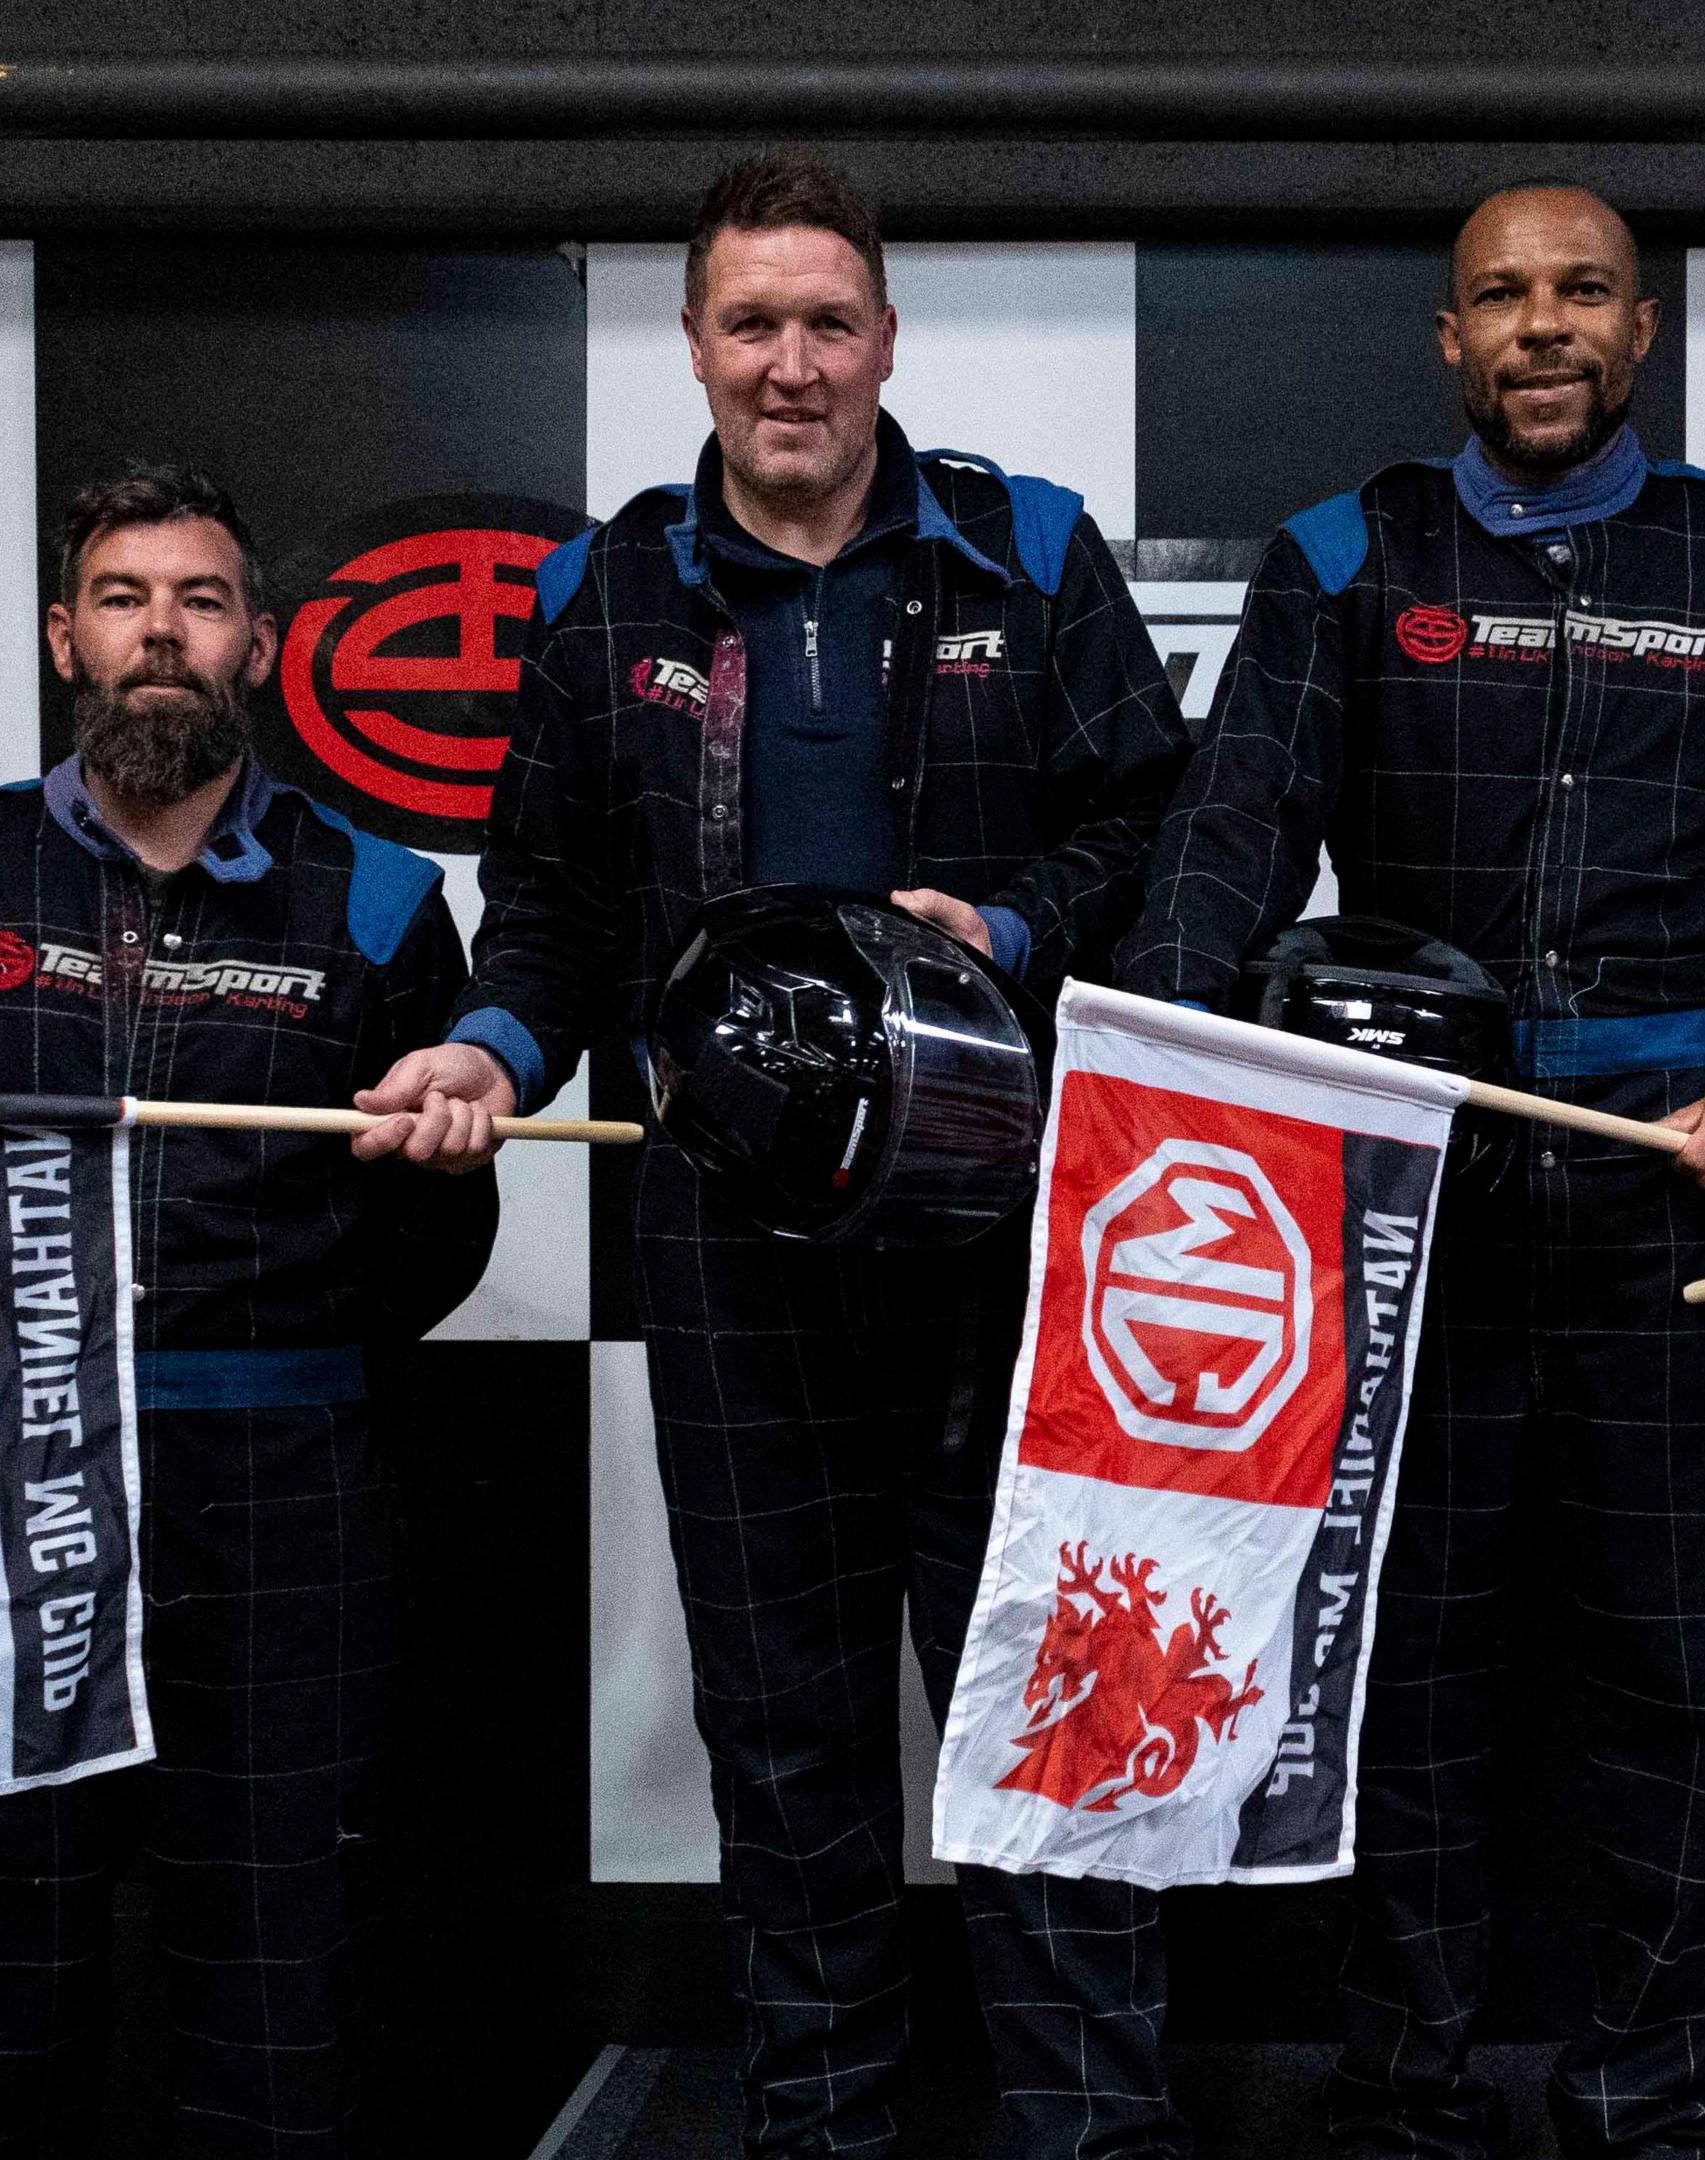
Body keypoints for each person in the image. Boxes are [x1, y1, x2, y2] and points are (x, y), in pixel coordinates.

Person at [354, 153, 1194, 2158]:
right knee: (786, 1723)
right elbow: (549, 896)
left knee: (1046, 1709)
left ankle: (1094, 2129)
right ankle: (824, 2123)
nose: (794, 364)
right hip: (730, 1245)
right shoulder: (612, 588)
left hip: (997, 1232)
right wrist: (481, 1044)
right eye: (755, 324)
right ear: (697, 346)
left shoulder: (1029, 550)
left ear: (887, 338)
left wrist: (1010, 930)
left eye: (830, 322)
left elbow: (1154, 836)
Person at [1113, 183, 1705, 2159]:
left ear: (1644, 332)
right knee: (1415, 1687)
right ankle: (1411, 2103)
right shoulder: (1347, 558)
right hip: (1407, 1221)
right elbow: (1224, 849)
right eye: (1503, 298)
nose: (1544, 327)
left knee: (1683, 1709)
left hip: (1676, 1228)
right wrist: (1154, 1061)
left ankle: (1656, 2104)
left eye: (1584, 292)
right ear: (1450, 343)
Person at [0, 465, 500, 2153]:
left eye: (201, 603)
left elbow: (437, 1242)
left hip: (278, 1501)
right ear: (66, 637)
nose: (160, 635)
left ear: (259, 647)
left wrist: (259, 1346)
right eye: (124, 599)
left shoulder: (382, 900)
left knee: (275, 1996)